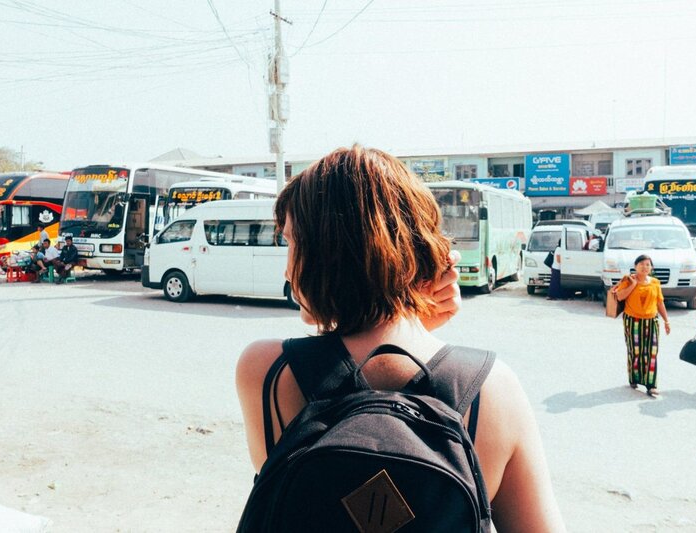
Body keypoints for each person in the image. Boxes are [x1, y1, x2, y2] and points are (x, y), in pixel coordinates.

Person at [236, 146, 564, 531]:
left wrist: (411, 316)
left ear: (327, 254)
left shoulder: (267, 371)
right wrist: (416, 321)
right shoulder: (491, 388)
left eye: (292, 244)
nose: (289, 271)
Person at [613, 254, 670, 397]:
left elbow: (659, 302)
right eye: (641, 264)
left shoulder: (655, 282)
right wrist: (633, 285)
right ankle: (634, 378)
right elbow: (619, 296)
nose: (645, 267)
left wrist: (666, 320)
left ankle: (651, 385)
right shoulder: (628, 280)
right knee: (635, 351)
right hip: (633, 321)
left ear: (651, 268)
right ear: (635, 266)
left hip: (651, 321)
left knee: (651, 352)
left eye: (648, 264)